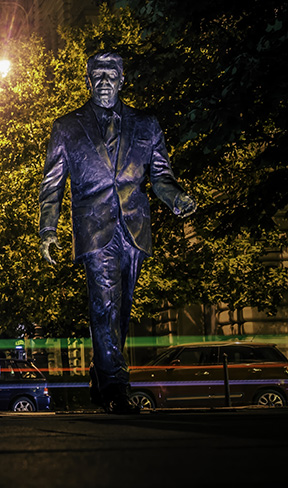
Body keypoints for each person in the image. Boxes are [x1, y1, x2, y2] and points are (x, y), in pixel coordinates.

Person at [38, 53, 196, 414]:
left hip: (135, 227)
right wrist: (48, 228)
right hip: (94, 230)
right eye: (98, 75)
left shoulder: (147, 124)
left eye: (111, 75)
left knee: (120, 310)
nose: (105, 81)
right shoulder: (66, 126)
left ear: (123, 79)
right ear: (88, 81)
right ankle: (115, 388)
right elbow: (52, 185)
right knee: (104, 304)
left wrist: (176, 199)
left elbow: (161, 176)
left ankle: (101, 373)